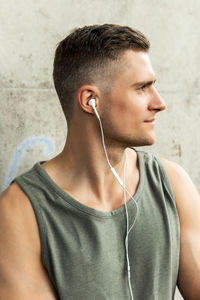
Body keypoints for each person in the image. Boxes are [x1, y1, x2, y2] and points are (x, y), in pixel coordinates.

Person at [0, 24, 200, 300]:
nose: (159, 103)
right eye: (142, 87)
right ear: (90, 100)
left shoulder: (172, 184)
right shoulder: (21, 209)